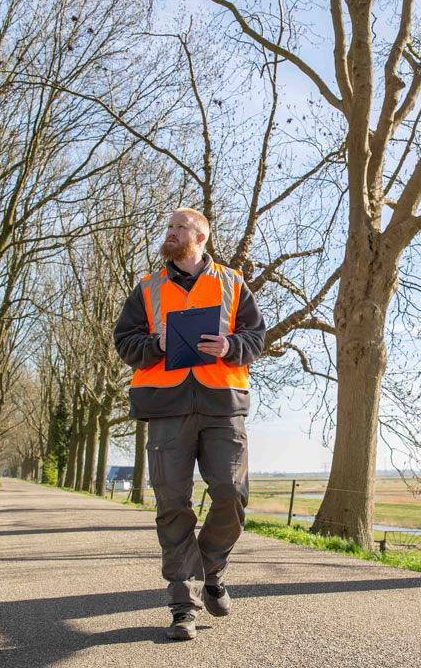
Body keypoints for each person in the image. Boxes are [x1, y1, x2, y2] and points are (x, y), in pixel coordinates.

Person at [112, 207, 265, 640]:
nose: (171, 233)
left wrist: (229, 345)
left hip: (222, 405)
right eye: (169, 227)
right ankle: (183, 604)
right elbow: (124, 341)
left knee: (232, 494)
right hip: (166, 408)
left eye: (180, 227)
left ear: (201, 237)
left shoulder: (233, 283)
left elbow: (257, 337)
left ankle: (212, 570)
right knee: (172, 504)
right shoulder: (147, 288)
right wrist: (156, 343)